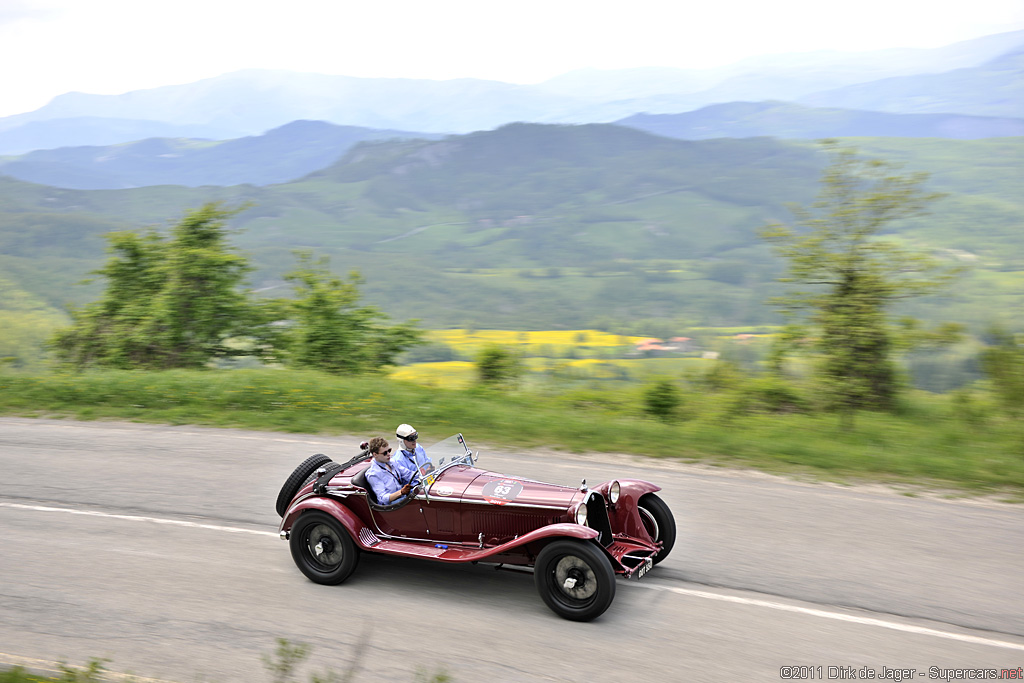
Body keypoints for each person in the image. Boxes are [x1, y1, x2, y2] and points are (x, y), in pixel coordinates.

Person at [364, 437, 417, 505]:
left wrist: (424, 474)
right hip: (392, 505)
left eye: (389, 450)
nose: (389, 454)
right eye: (385, 453)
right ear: (375, 455)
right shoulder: (373, 474)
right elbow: (382, 498)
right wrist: (401, 492)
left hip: (403, 498)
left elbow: (408, 474)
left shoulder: (392, 462)